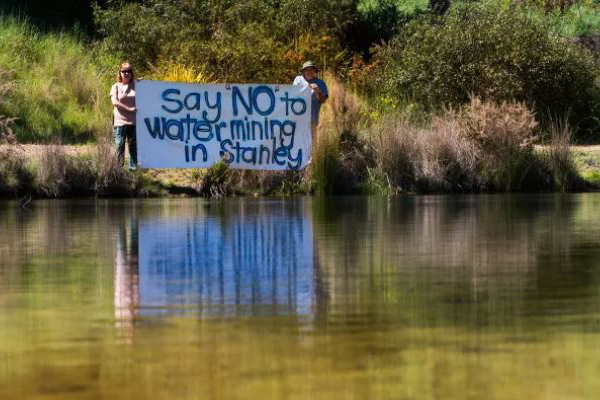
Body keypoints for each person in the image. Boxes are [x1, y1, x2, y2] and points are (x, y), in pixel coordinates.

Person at [110, 62, 137, 170]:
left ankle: (133, 169)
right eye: (124, 71)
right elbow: (114, 102)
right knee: (119, 145)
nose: (126, 73)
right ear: (120, 73)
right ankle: (118, 169)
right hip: (120, 121)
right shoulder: (115, 86)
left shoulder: (136, 86)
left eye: (129, 71)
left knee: (133, 146)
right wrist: (129, 109)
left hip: (133, 121)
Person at [293, 61, 328, 133]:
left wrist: (318, 90)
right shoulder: (298, 80)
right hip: (298, 119)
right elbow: (293, 95)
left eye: (311, 69)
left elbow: (323, 100)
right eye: (307, 69)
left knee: (312, 142)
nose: (309, 71)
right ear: (303, 71)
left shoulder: (320, 83)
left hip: (313, 120)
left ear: (315, 71)